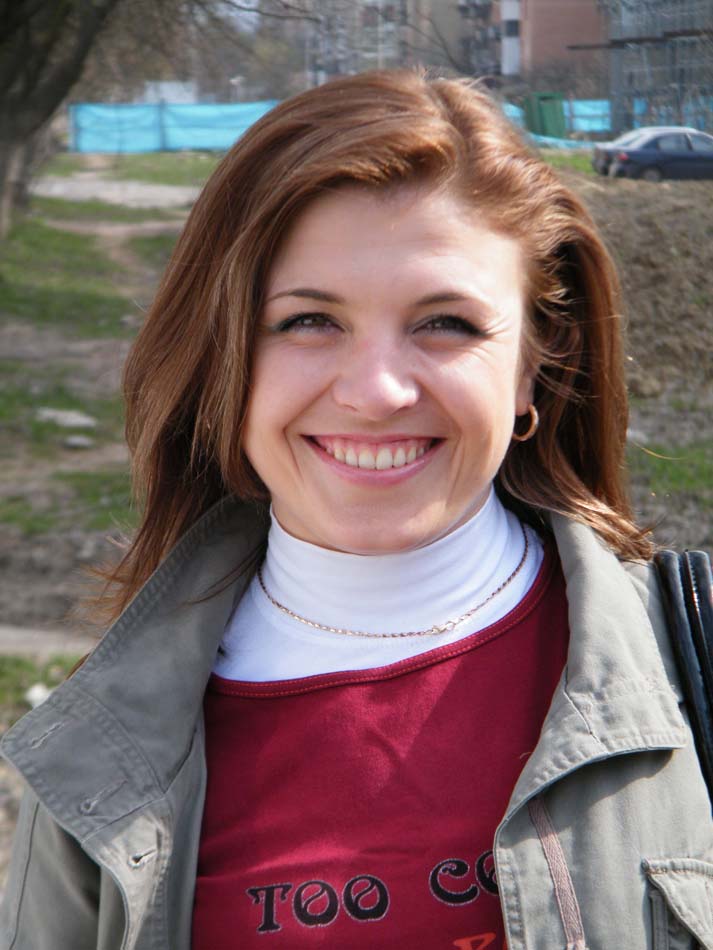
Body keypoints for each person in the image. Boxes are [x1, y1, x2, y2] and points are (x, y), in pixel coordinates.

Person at [1, 69, 711, 950]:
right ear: (224, 355)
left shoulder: (687, 668)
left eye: (445, 323)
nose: (375, 392)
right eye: (308, 321)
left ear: (536, 362)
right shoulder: (95, 752)